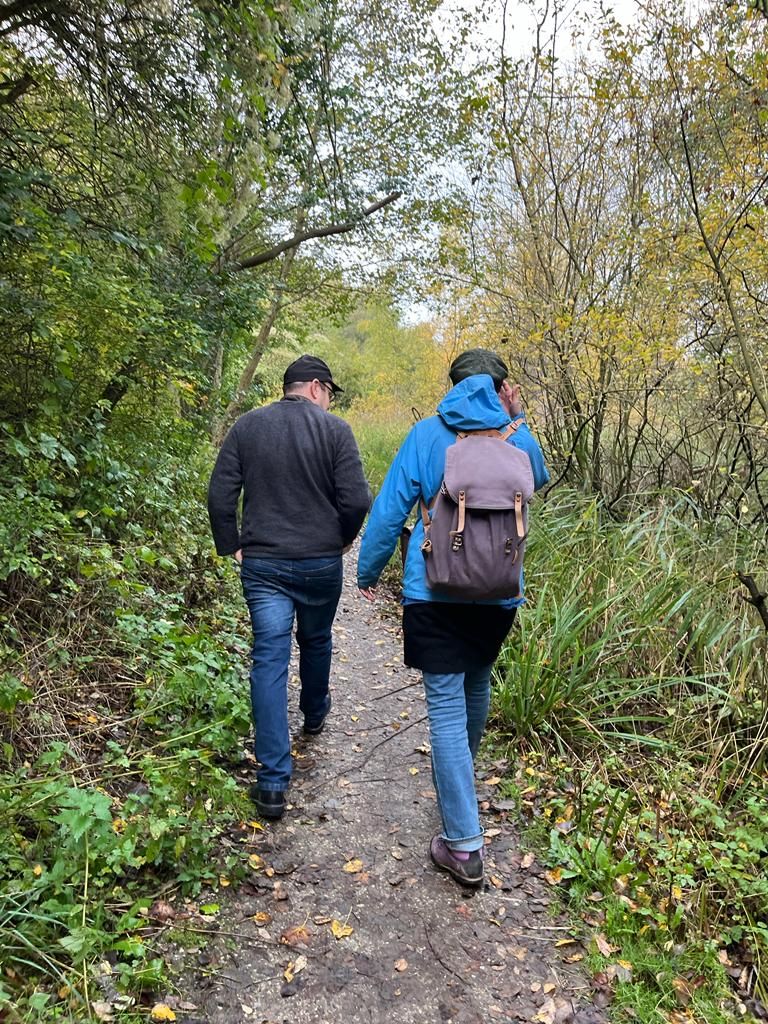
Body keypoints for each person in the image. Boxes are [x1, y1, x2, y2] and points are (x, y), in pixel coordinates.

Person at [357, 349, 549, 888]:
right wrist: (516, 417)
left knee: (444, 705)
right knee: (477, 682)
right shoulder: (516, 438)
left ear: (452, 387)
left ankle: (463, 844)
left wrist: (368, 571)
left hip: (433, 591)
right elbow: (537, 480)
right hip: (498, 592)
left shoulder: (425, 435)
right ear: (501, 388)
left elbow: (389, 511)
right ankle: (459, 787)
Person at [208, 355, 371, 821]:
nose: (329, 401)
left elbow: (219, 495)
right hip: (320, 562)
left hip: (264, 566)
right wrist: (342, 539)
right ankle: (314, 714)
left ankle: (273, 783)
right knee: (316, 639)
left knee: (269, 658)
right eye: (330, 392)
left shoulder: (248, 426)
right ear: (317, 387)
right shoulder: (335, 431)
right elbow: (357, 499)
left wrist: (232, 545)